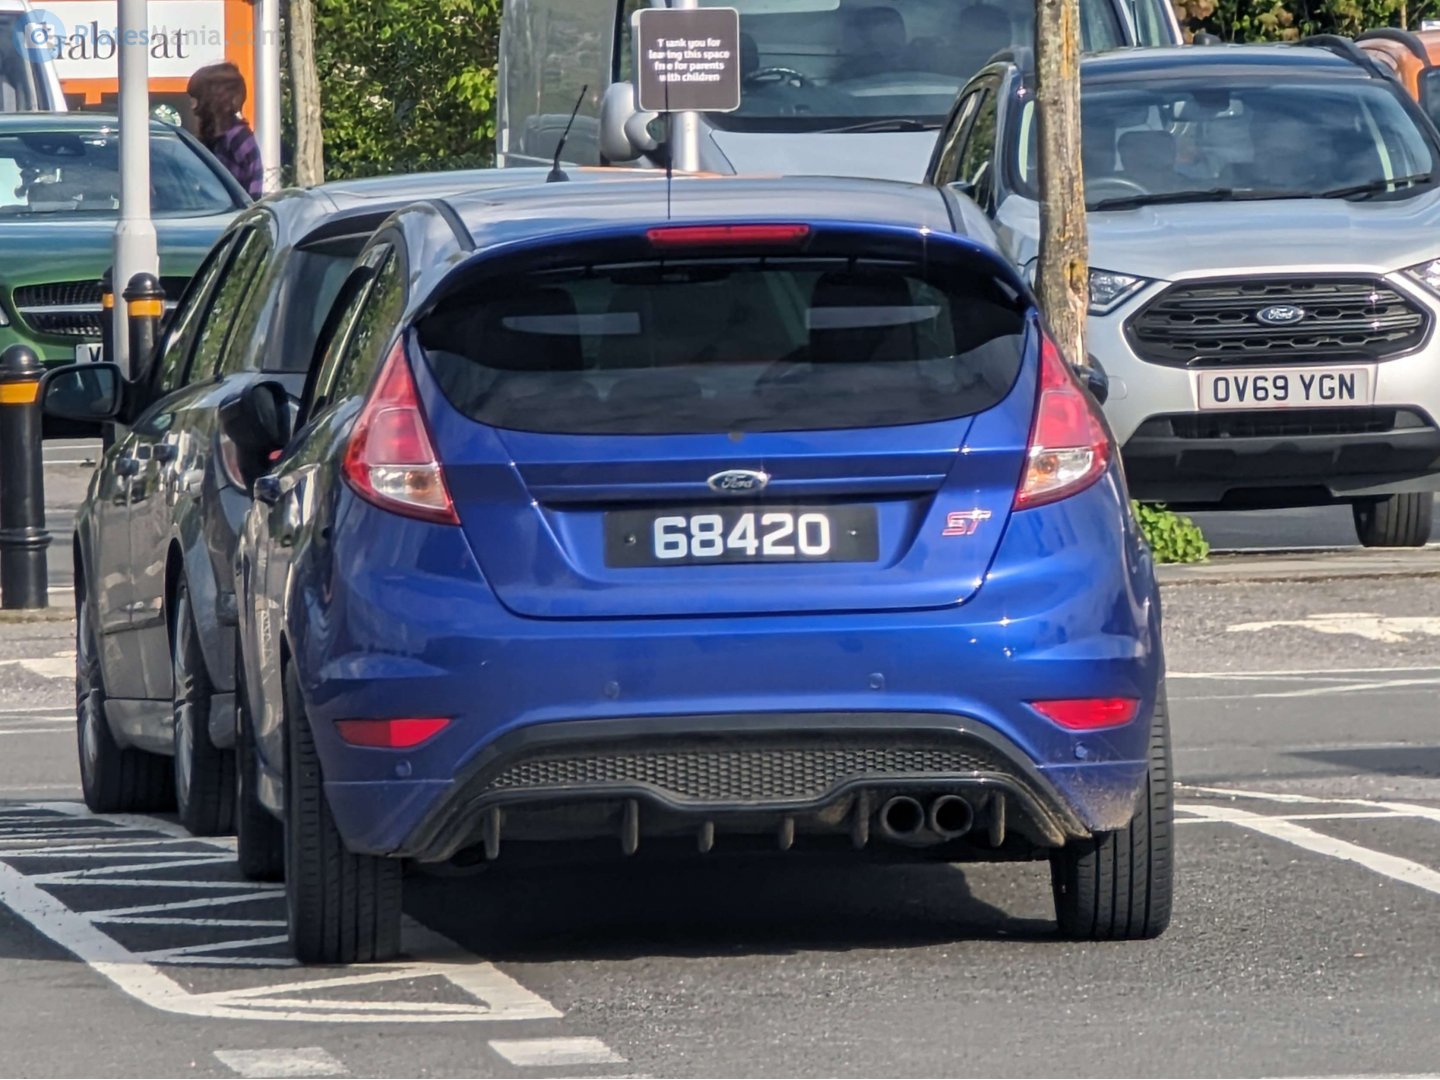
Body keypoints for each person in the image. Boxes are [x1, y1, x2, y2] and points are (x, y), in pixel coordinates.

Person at [186, 61, 262, 199]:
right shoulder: (209, 137)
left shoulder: (238, 137)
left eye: (196, 99)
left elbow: (253, 188)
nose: (193, 108)